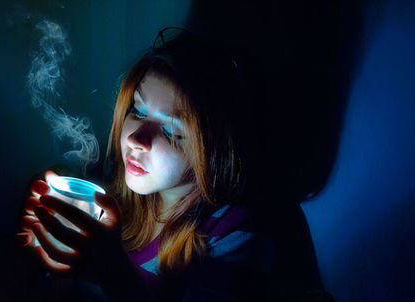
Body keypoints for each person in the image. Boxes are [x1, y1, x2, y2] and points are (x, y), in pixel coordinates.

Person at [18, 28, 273, 301]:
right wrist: (57, 259)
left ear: (216, 152)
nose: (136, 138)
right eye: (138, 111)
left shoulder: (233, 232)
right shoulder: (113, 193)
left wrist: (114, 272)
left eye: (171, 131)